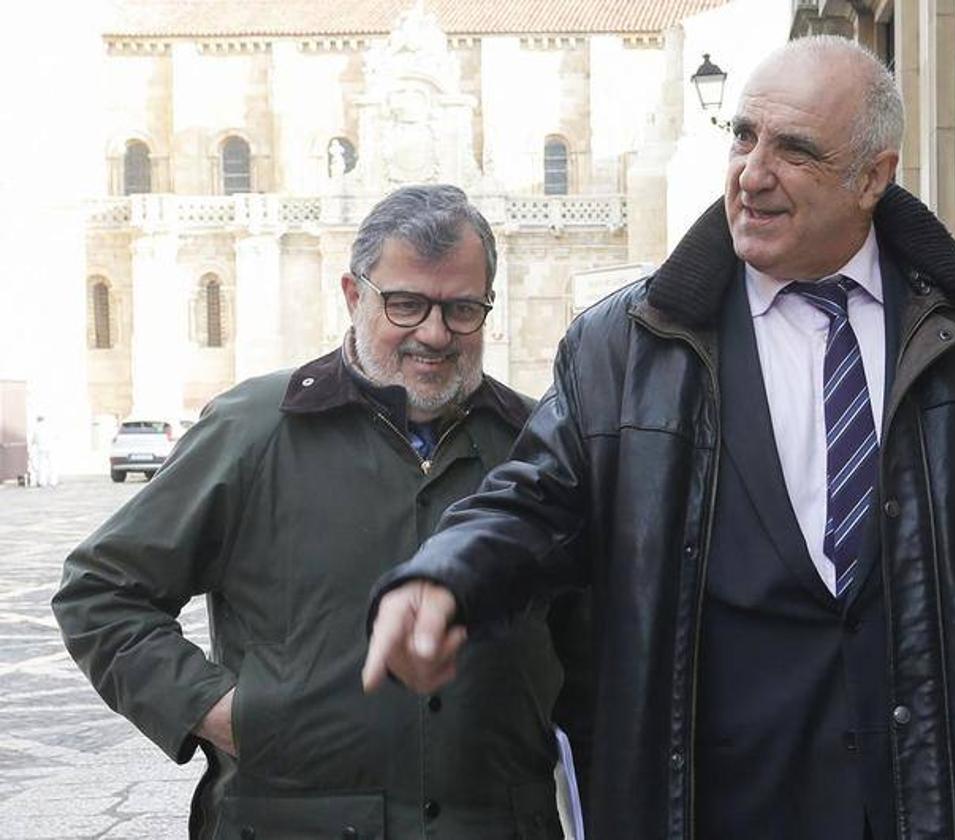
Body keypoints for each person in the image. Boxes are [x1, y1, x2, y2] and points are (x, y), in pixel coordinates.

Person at [362, 38, 955, 840]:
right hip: (706, 806)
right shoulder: (624, 345)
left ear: (873, 178)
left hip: (933, 805)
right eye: (743, 137)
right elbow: (533, 502)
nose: (752, 173)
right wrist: (443, 576)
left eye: (794, 150)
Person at [54, 185, 584, 839]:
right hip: (289, 820)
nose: (435, 333)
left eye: (462, 308)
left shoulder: (537, 445)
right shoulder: (254, 429)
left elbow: (597, 644)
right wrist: (219, 710)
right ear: (353, 294)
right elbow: (100, 593)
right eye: (406, 304)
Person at [29, 415, 58, 488]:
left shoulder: (36, 428)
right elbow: (56, 436)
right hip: (51, 448)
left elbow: (33, 440)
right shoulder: (49, 427)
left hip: (41, 449)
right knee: (52, 465)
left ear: (38, 420)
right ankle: (53, 481)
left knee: (42, 466)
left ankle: (42, 482)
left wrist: (31, 447)